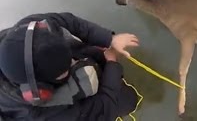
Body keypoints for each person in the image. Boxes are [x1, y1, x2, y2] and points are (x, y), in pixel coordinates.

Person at [0, 12, 141, 121]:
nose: (73, 62)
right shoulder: (46, 115)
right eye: (65, 69)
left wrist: (109, 39)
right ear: (43, 90)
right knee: (128, 101)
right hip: (80, 109)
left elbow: (70, 22)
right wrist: (112, 64)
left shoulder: (27, 29)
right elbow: (103, 108)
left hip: (89, 64)